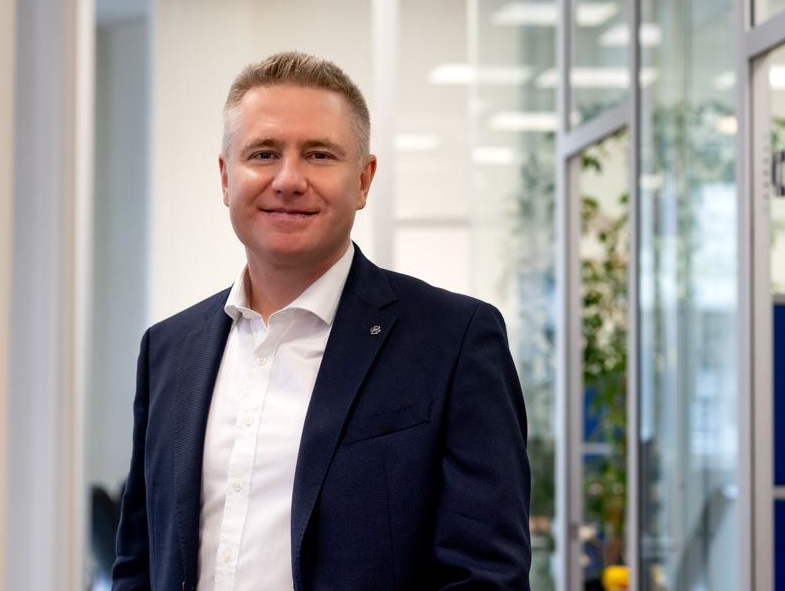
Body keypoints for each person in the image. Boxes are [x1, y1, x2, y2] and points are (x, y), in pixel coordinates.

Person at [112, 51, 531, 591]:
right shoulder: (168, 350)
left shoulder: (453, 341)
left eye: (318, 155)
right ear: (225, 178)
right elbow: (139, 565)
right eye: (263, 154)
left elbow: (486, 576)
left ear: (363, 180)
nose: (289, 179)